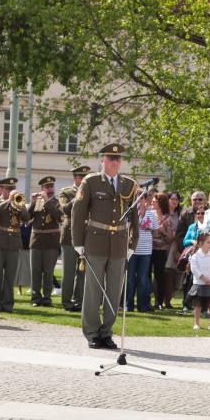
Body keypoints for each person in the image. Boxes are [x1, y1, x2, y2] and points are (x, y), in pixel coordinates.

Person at [72, 143, 139, 349]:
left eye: (118, 159)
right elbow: (78, 212)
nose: (115, 162)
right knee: (93, 291)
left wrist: (132, 243)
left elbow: (134, 216)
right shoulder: (91, 181)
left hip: (119, 243)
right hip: (96, 241)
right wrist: (78, 242)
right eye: (111, 158)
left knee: (114, 291)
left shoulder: (129, 184)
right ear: (102, 160)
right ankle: (92, 333)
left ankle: (106, 332)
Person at [0, 177, 30, 313]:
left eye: (12, 189)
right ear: (2, 189)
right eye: (8, 189)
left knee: (10, 275)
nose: (11, 191)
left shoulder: (19, 202)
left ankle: (8, 304)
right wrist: (7, 201)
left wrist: (20, 205)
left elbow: (26, 218)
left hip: (13, 242)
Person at [59, 165, 90, 311]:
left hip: (85, 234)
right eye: (81, 178)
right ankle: (66, 301)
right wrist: (77, 196)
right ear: (75, 178)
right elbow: (64, 209)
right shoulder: (66, 192)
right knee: (69, 271)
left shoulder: (90, 192)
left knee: (82, 271)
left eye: (85, 177)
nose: (84, 180)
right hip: (70, 234)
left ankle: (79, 301)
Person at [29, 176, 64, 307]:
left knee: (48, 272)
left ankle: (47, 298)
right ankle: (35, 298)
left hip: (51, 242)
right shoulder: (37, 202)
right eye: (47, 187)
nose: (50, 189)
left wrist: (47, 200)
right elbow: (26, 217)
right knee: (36, 271)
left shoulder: (57, 202)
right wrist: (32, 203)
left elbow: (59, 217)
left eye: (51, 187)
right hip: (36, 241)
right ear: (42, 189)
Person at [126, 192, 158, 312]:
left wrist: (147, 229)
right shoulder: (129, 212)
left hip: (146, 251)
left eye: (141, 198)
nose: (139, 201)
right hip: (131, 250)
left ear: (145, 199)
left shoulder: (151, 214)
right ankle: (128, 305)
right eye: (136, 198)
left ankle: (142, 305)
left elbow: (155, 232)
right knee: (129, 279)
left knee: (143, 279)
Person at [189, 232, 210, 330]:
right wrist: (203, 277)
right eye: (208, 242)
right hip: (199, 285)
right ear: (200, 244)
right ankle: (196, 323)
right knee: (197, 305)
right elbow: (194, 269)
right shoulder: (195, 256)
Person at [157, 191, 181, 309]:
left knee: (176, 276)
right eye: (172, 199)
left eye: (177, 199)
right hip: (163, 248)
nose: (175, 201)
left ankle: (168, 300)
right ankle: (163, 301)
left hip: (176, 247)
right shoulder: (163, 214)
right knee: (164, 275)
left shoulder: (179, 215)